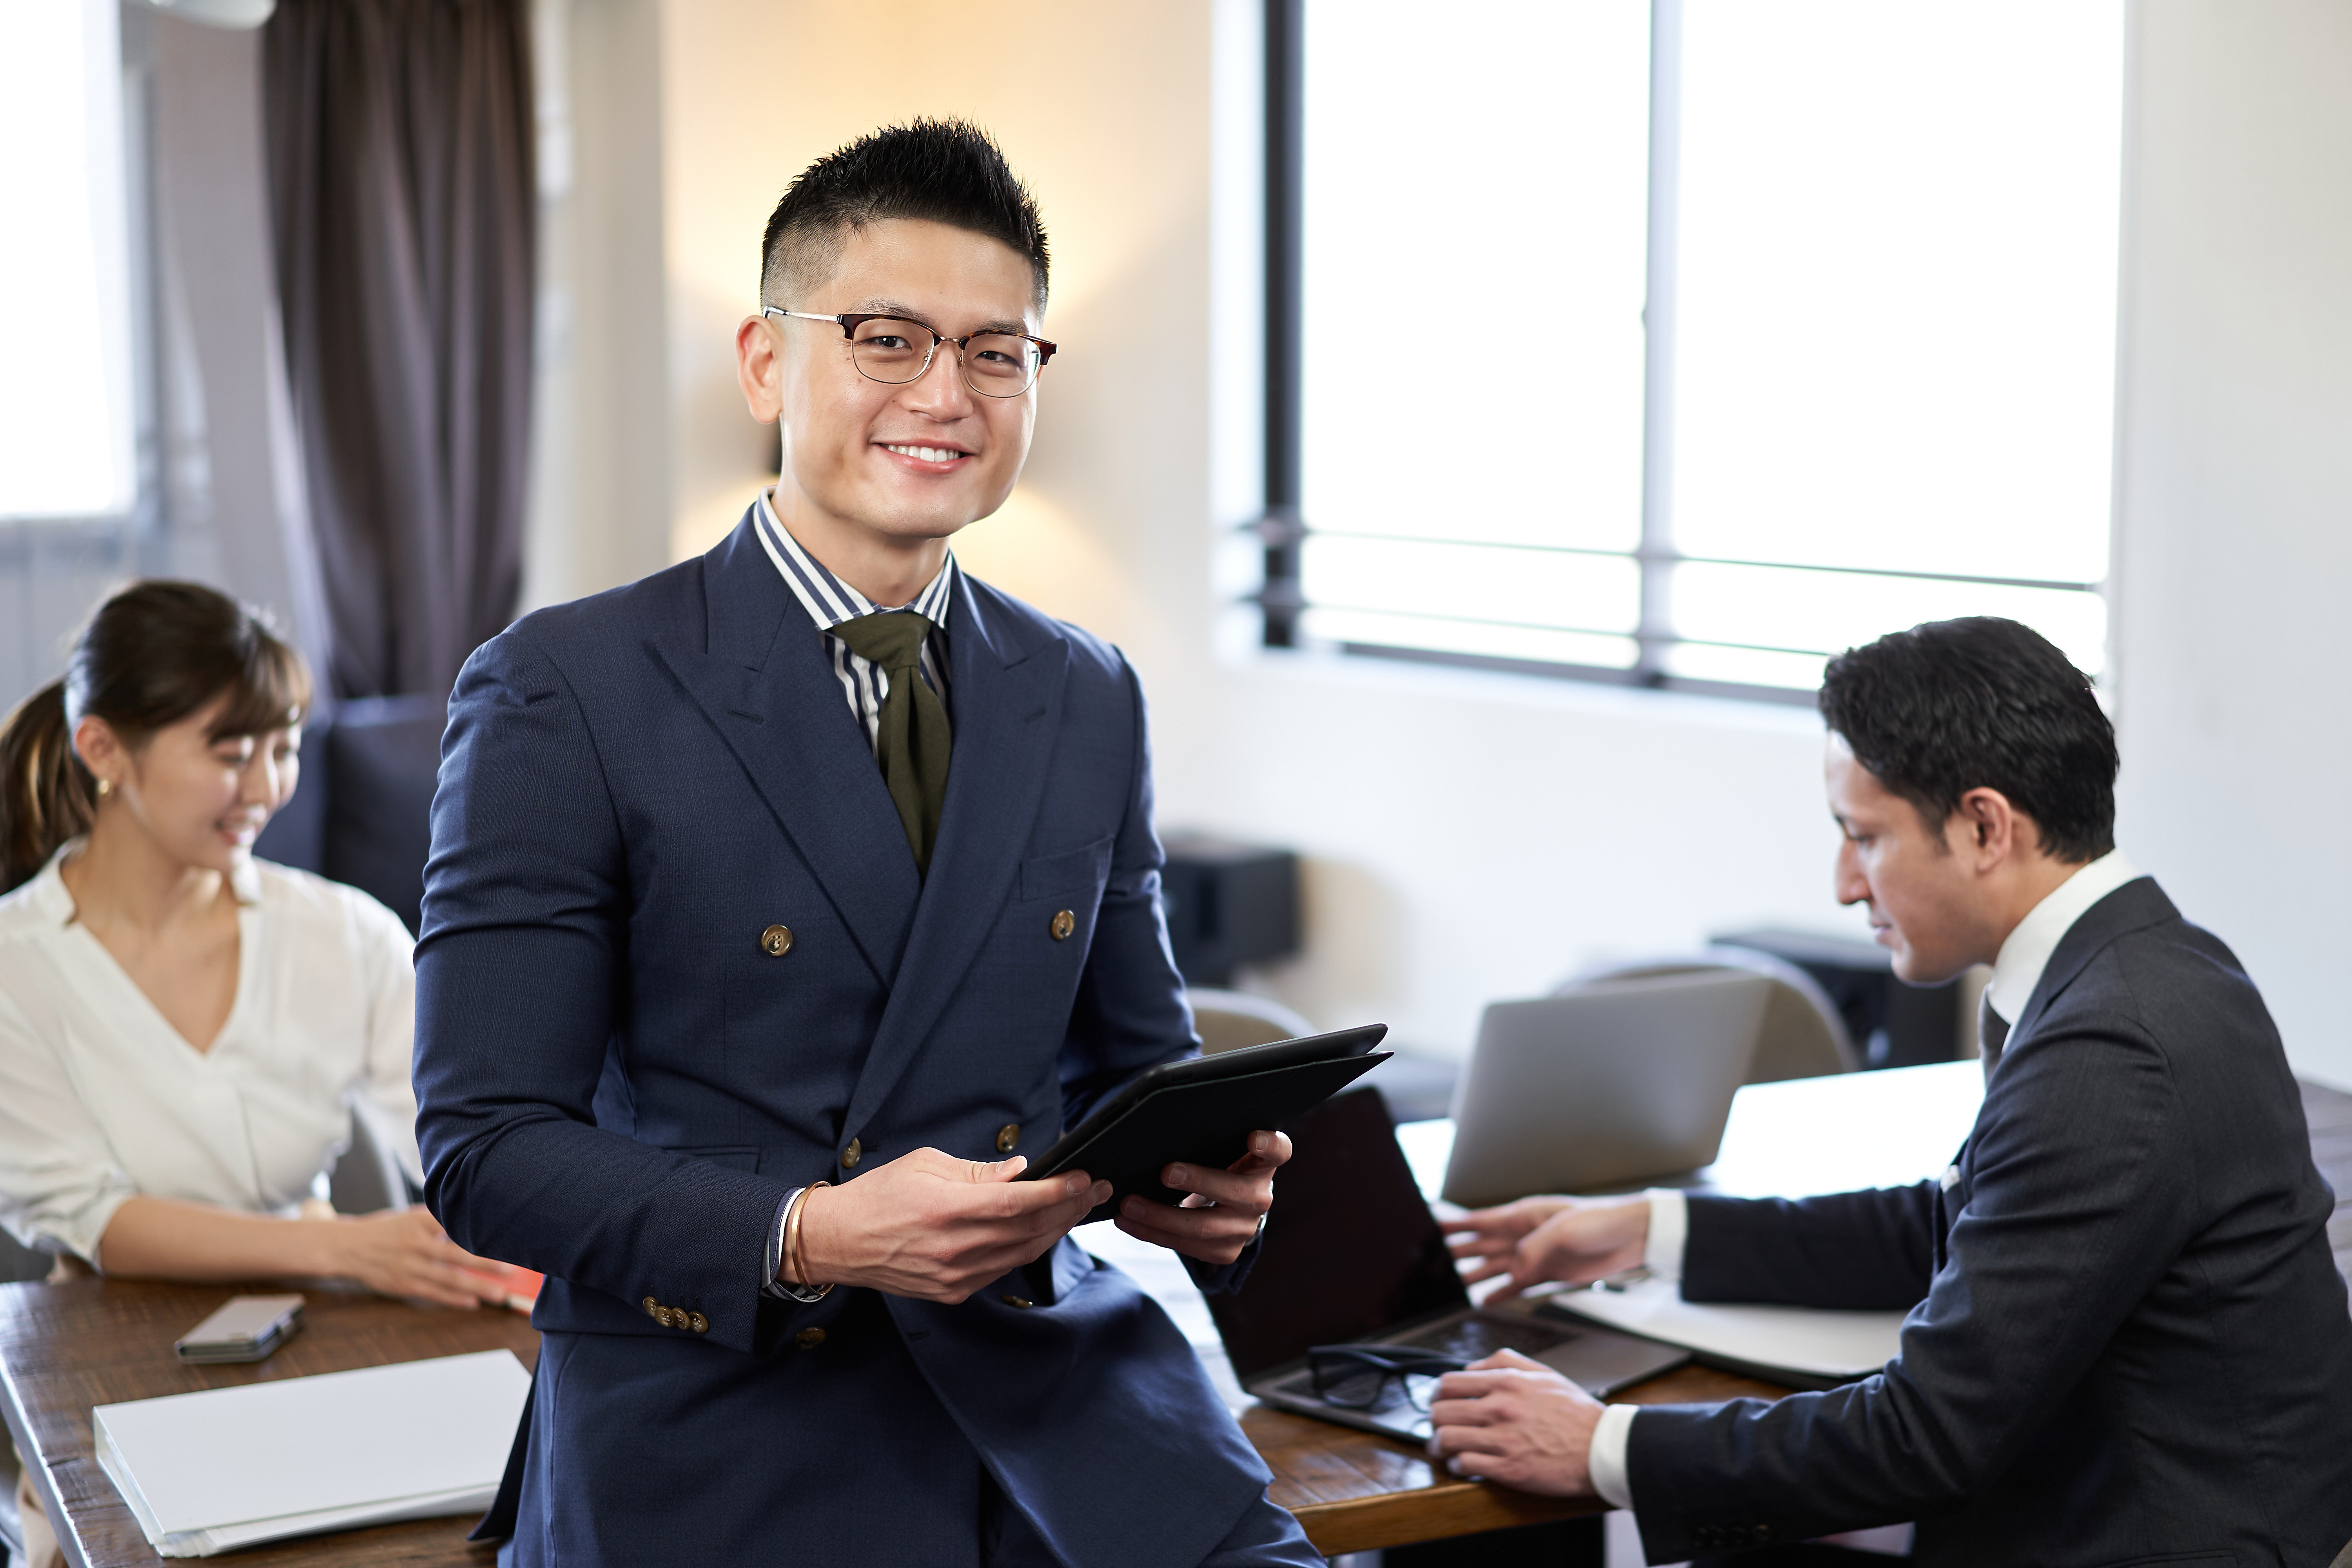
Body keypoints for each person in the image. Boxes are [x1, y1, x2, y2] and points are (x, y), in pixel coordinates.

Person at [412, 120, 1315, 1568]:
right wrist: (815, 1234)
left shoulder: (1086, 688)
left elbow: (1131, 1069)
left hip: (1053, 1385)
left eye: (997, 352)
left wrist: (1203, 1185)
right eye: (888, 340)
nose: (946, 395)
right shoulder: (561, 687)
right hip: (724, 1406)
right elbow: (485, 1151)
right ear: (767, 360)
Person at [1435, 617, 2352, 1566]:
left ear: (1985, 826)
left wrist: (1601, 1445)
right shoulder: (2143, 961)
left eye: (1864, 836)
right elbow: (1970, 1222)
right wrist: (1657, 1230)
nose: (1842, 884)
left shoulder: (2111, 1045)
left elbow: (1927, 1433)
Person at [0, 582, 518, 1568]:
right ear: (104, 749)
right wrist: (349, 1248)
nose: (266, 787)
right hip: (109, 1353)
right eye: (230, 754)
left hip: (330, 1343)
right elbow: (97, 1220)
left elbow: (456, 1132)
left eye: (282, 748)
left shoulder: (343, 932)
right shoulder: (16, 963)